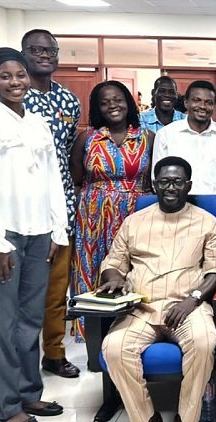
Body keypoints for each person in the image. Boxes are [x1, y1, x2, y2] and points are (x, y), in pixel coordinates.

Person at [0, 47, 68, 422]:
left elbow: (52, 176)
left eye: (20, 75)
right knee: (4, 322)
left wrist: (57, 227)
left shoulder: (38, 122)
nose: (15, 82)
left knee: (30, 318)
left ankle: (28, 391)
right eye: (5, 76)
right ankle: (7, 405)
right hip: (3, 236)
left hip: (39, 231)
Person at [98, 156, 216, 422]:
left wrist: (193, 299)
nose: (171, 187)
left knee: (204, 340)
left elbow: (215, 272)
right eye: (164, 181)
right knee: (114, 347)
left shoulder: (206, 222)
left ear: (188, 186)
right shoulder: (134, 222)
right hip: (142, 306)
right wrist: (114, 278)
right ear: (154, 184)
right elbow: (114, 262)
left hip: (188, 306)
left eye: (177, 182)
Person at [0, 29, 81, 378]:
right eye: (36, 50)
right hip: (7, 223)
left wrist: (59, 220)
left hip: (53, 216)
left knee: (48, 298)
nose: (44, 55)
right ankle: (7, 386)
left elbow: (61, 158)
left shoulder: (65, 102)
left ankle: (48, 360)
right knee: (7, 310)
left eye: (50, 50)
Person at [70, 80, 153, 330]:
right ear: (97, 108)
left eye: (117, 100)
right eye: (104, 102)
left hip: (134, 213)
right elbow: (76, 180)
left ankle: (132, 328)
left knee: (132, 268)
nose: (112, 106)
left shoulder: (147, 138)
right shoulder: (87, 139)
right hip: (93, 217)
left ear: (128, 103)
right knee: (92, 270)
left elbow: (152, 181)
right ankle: (91, 331)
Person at [152, 80, 216, 242]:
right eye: (197, 100)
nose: (202, 106)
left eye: (208, 102)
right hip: (176, 215)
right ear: (186, 103)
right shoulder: (166, 135)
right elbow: (156, 178)